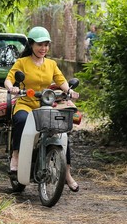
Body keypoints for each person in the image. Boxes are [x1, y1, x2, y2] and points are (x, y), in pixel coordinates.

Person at [4, 26, 80, 192]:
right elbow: (9, 79)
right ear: (31, 45)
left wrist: (69, 91)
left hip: (45, 104)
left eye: (46, 45)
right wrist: (13, 88)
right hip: (25, 102)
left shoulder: (51, 64)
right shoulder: (22, 62)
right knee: (21, 120)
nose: (43, 48)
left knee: (62, 131)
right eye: (39, 44)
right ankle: (16, 156)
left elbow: (61, 80)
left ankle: (67, 173)